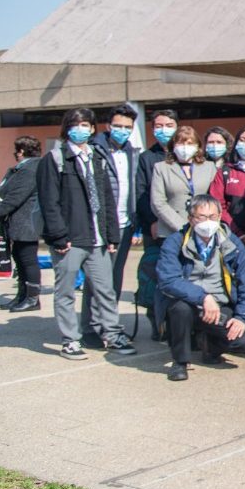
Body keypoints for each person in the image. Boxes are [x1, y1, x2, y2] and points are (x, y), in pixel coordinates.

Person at [38, 108, 133, 359]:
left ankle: (112, 334)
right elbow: (49, 202)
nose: (81, 129)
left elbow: (107, 200)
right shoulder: (56, 159)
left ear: (93, 129)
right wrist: (58, 235)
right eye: (75, 124)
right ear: (67, 128)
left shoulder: (97, 157)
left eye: (86, 125)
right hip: (70, 240)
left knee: (105, 290)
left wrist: (112, 235)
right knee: (66, 291)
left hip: (98, 239)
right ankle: (70, 339)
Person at [155, 196, 245, 381]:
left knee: (244, 342)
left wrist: (243, 317)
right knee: (180, 309)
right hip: (188, 303)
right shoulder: (175, 242)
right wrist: (202, 297)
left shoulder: (232, 244)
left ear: (220, 216)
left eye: (212, 216)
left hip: (220, 304)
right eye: (201, 217)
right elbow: (168, 280)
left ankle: (211, 347)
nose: (208, 222)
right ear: (190, 219)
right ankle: (180, 361)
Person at [150, 126, 217, 331]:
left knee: (196, 277)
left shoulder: (209, 167)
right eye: (180, 142)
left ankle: (198, 324)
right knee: (171, 280)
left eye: (190, 143)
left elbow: (214, 198)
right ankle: (164, 324)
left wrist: (200, 225)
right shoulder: (161, 168)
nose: (185, 147)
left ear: (198, 147)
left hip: (203, 232)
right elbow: (158, 202)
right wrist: (184, 227)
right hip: (172, 232)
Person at [209, 125, 245, 348]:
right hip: (231, 238)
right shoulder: (225, 171)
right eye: (243, 139)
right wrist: (238, 234)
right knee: (234, 285)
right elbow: (218, 206)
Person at [89, 104, 142, 334]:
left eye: (127, 127)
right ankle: (93, 327)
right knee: (98, 280)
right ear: (108, 126)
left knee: (115, 278)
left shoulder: (131, 151)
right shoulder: (95, 149)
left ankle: (109, 324)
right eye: (118, 126)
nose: (122, 130)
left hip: (125, 224)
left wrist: (136, 223)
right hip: (100, 225)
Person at [134, 108, 177, 340]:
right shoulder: (146, 158)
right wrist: (150, 221)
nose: (164, 130)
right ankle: (156, 321)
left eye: (169, 125)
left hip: (182, 227)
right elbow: (141, 193)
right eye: (158, 126)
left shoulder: (184, 154)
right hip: (156, 228)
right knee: (155, 275)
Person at [0, 136, 42, 312]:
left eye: (16, 151)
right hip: (18, 223)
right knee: (20, 260)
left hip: (26, 223)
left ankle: (32, 298)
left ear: (21, 151)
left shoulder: (30, 169)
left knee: (28, 261)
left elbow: (15, 196)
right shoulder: (22, 169)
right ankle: (22, 296)